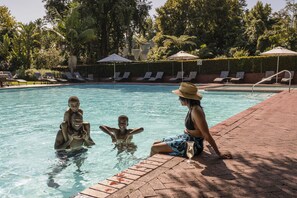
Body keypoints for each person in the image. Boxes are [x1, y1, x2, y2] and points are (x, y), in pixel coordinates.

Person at [150, 82, 232, 159]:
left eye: (180, 97)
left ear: (186, 98)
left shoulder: (196, 111)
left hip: (193, 146)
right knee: (155, 143)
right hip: (187, 138)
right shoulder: (192, 108)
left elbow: (205, 133)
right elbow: (198, 129)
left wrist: (218, 153)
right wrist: (189, 131)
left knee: (154, 148)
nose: (179, 99)